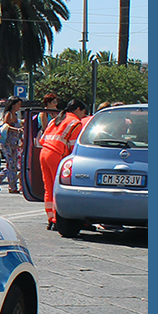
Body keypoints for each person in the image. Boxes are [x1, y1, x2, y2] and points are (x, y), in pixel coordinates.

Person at [39, 98, 89, 230]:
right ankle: (57, 218)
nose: (83, 115)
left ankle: (51, 218)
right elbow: (73, 147)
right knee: (57, 189)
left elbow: (43, 138)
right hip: (56, 154)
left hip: (44, 152)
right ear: (78, 109)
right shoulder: (75, 122)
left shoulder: (58, 118)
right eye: (83, 112)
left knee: (48, 187)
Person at [0, 97, 24, 193]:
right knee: (12, 166)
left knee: (11, 165)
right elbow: (5, 126)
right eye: (18, 104)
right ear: (13, 105)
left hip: (14, 143)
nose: (19, 106)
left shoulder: (15, 115)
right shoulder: (8, 114)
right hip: (8, 144)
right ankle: (12, 187)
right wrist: (16, 130)